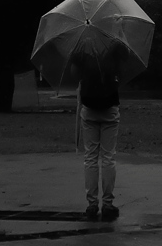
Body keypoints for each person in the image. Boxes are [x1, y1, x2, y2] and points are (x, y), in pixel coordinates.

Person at [70, 40, 128, 222]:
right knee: (109, 156)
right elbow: (122, 71)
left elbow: (74, 73)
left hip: (89, 107)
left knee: (90, 157)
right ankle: (108, 203)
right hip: (110, 106)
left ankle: (92, 203)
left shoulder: (81, 44)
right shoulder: (115, 43)